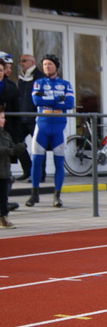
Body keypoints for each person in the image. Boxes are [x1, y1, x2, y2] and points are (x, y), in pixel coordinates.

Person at [26, 54, 74, 208]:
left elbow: (69, 103)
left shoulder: (65, 84)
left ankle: (57, 196)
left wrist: (48, 99)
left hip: (59, 127)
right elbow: (36, 101)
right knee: (37, 161)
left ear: (56, 66)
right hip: (42, 126)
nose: (47, 67)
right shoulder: (38, 83)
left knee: (59, 163)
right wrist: (57, 99)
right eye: (45, 64)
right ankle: (34, 195)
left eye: (50, 64)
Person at [16, 54, 45, 181]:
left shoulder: (39, 77)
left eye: (24, 61)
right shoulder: (22, 78)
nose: (21, 63)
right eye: (20, 61)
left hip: (35, 118)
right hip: (22, 118)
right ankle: (27, 170)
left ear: (32, 62)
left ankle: (40, 175)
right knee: (17, 143)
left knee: (38, 147)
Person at [0, 106, 25, 228]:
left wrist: (18, 149)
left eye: (4, 117)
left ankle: (3, 217)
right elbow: (4, 150)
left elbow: (12, 148)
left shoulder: (5, 134)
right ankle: (2, 218)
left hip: (4, 171)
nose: (4, 120)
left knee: (3, 196)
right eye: (1, 117)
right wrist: (10, 150)